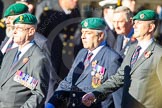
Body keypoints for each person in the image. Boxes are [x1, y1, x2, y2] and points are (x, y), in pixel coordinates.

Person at [82, 10, 162, 108]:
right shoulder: (132, 49)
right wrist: (95, 93)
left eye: (139, 23)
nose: (134, 26)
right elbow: (119, 77)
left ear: (151, 27)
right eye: (134, 23)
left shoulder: (158, 54)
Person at [46, 18, 122, 108]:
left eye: (88, 33)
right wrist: (52, 102)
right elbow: (68, 81)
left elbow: (116, 94)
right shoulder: (82, 53)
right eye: (82, 32)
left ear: (100, 35)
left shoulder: (112, 58)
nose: (83, 36)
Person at [0, 3, 61, 102]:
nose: (6, 22)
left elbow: (48, 78)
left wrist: (48, 103)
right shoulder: (7, 39)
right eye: (6, 18)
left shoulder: (40, 43)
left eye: (10, 19)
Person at [0, 13, 49, 108]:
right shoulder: (9, 53)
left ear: (31, 31)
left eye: (18, 28)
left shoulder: (38, 58)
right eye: (14, 28)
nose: (14, 32)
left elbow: (39, 94)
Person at [37, 0, 81, 79]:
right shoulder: (47, 9)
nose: (76, 1)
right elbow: (39, 36)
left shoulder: (75, 11)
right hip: (50, 59)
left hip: (66, 62)